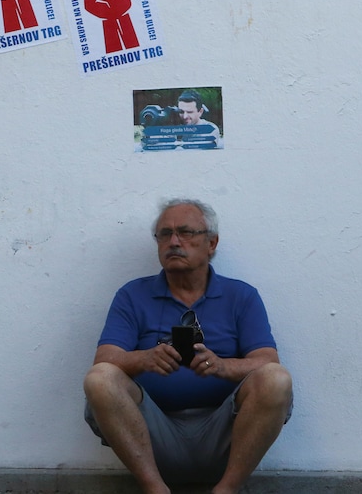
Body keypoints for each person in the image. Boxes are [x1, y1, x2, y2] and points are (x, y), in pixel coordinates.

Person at [83, 199, 293, 494]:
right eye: (164, 234)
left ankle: (226, 490)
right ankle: (155, 489)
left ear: (212, 242)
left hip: (226, 435)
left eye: (185, 232)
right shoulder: (133, 294)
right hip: (151, 436)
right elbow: (104, 359)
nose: (174, 241)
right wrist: (145, 358)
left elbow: (267, 361)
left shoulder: (241, 296)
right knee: (100, 377)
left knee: (275, 379)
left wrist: (222, 366)